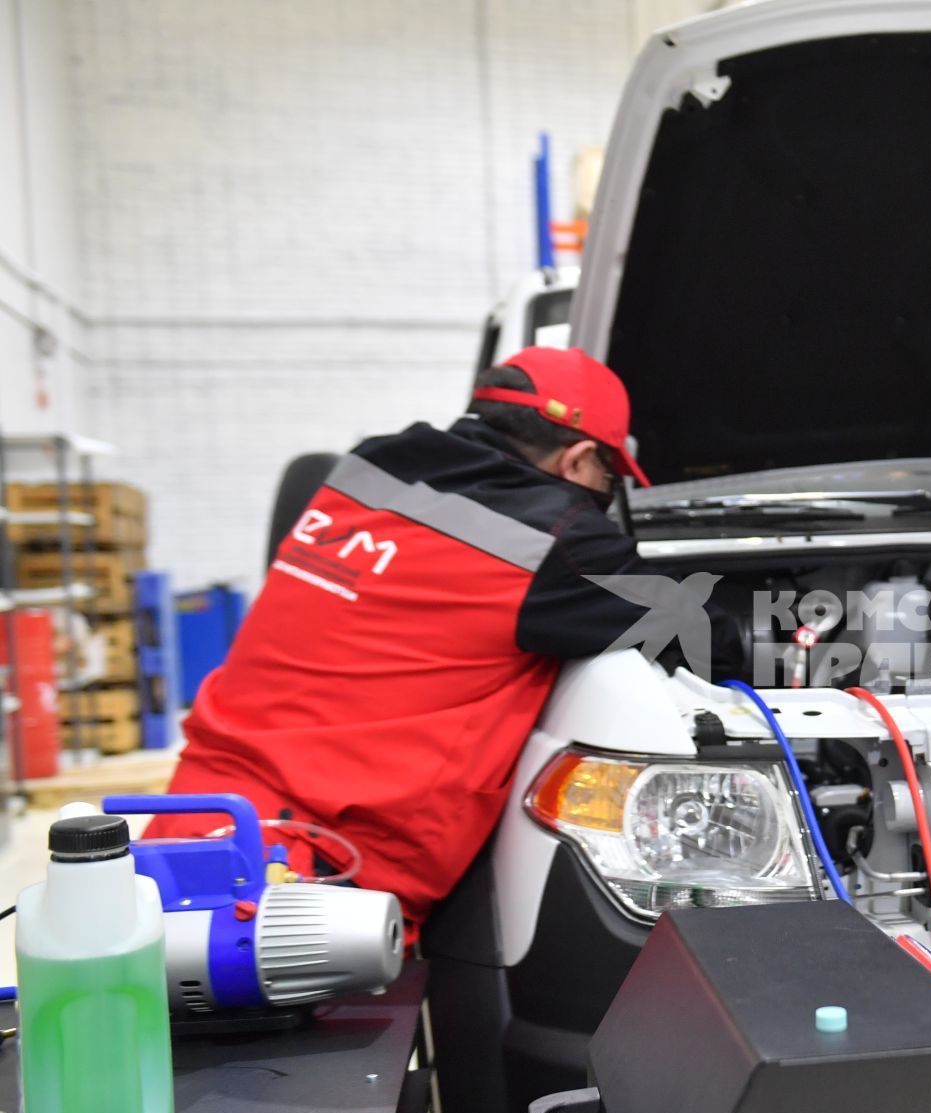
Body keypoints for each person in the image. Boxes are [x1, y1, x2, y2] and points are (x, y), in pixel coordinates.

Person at [146, 348, 738, 924]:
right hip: (309, 881)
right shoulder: (553, 542)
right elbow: (705, 634)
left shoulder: (369, 470)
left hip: (193, 820)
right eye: (608, 476)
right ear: (579, 459)